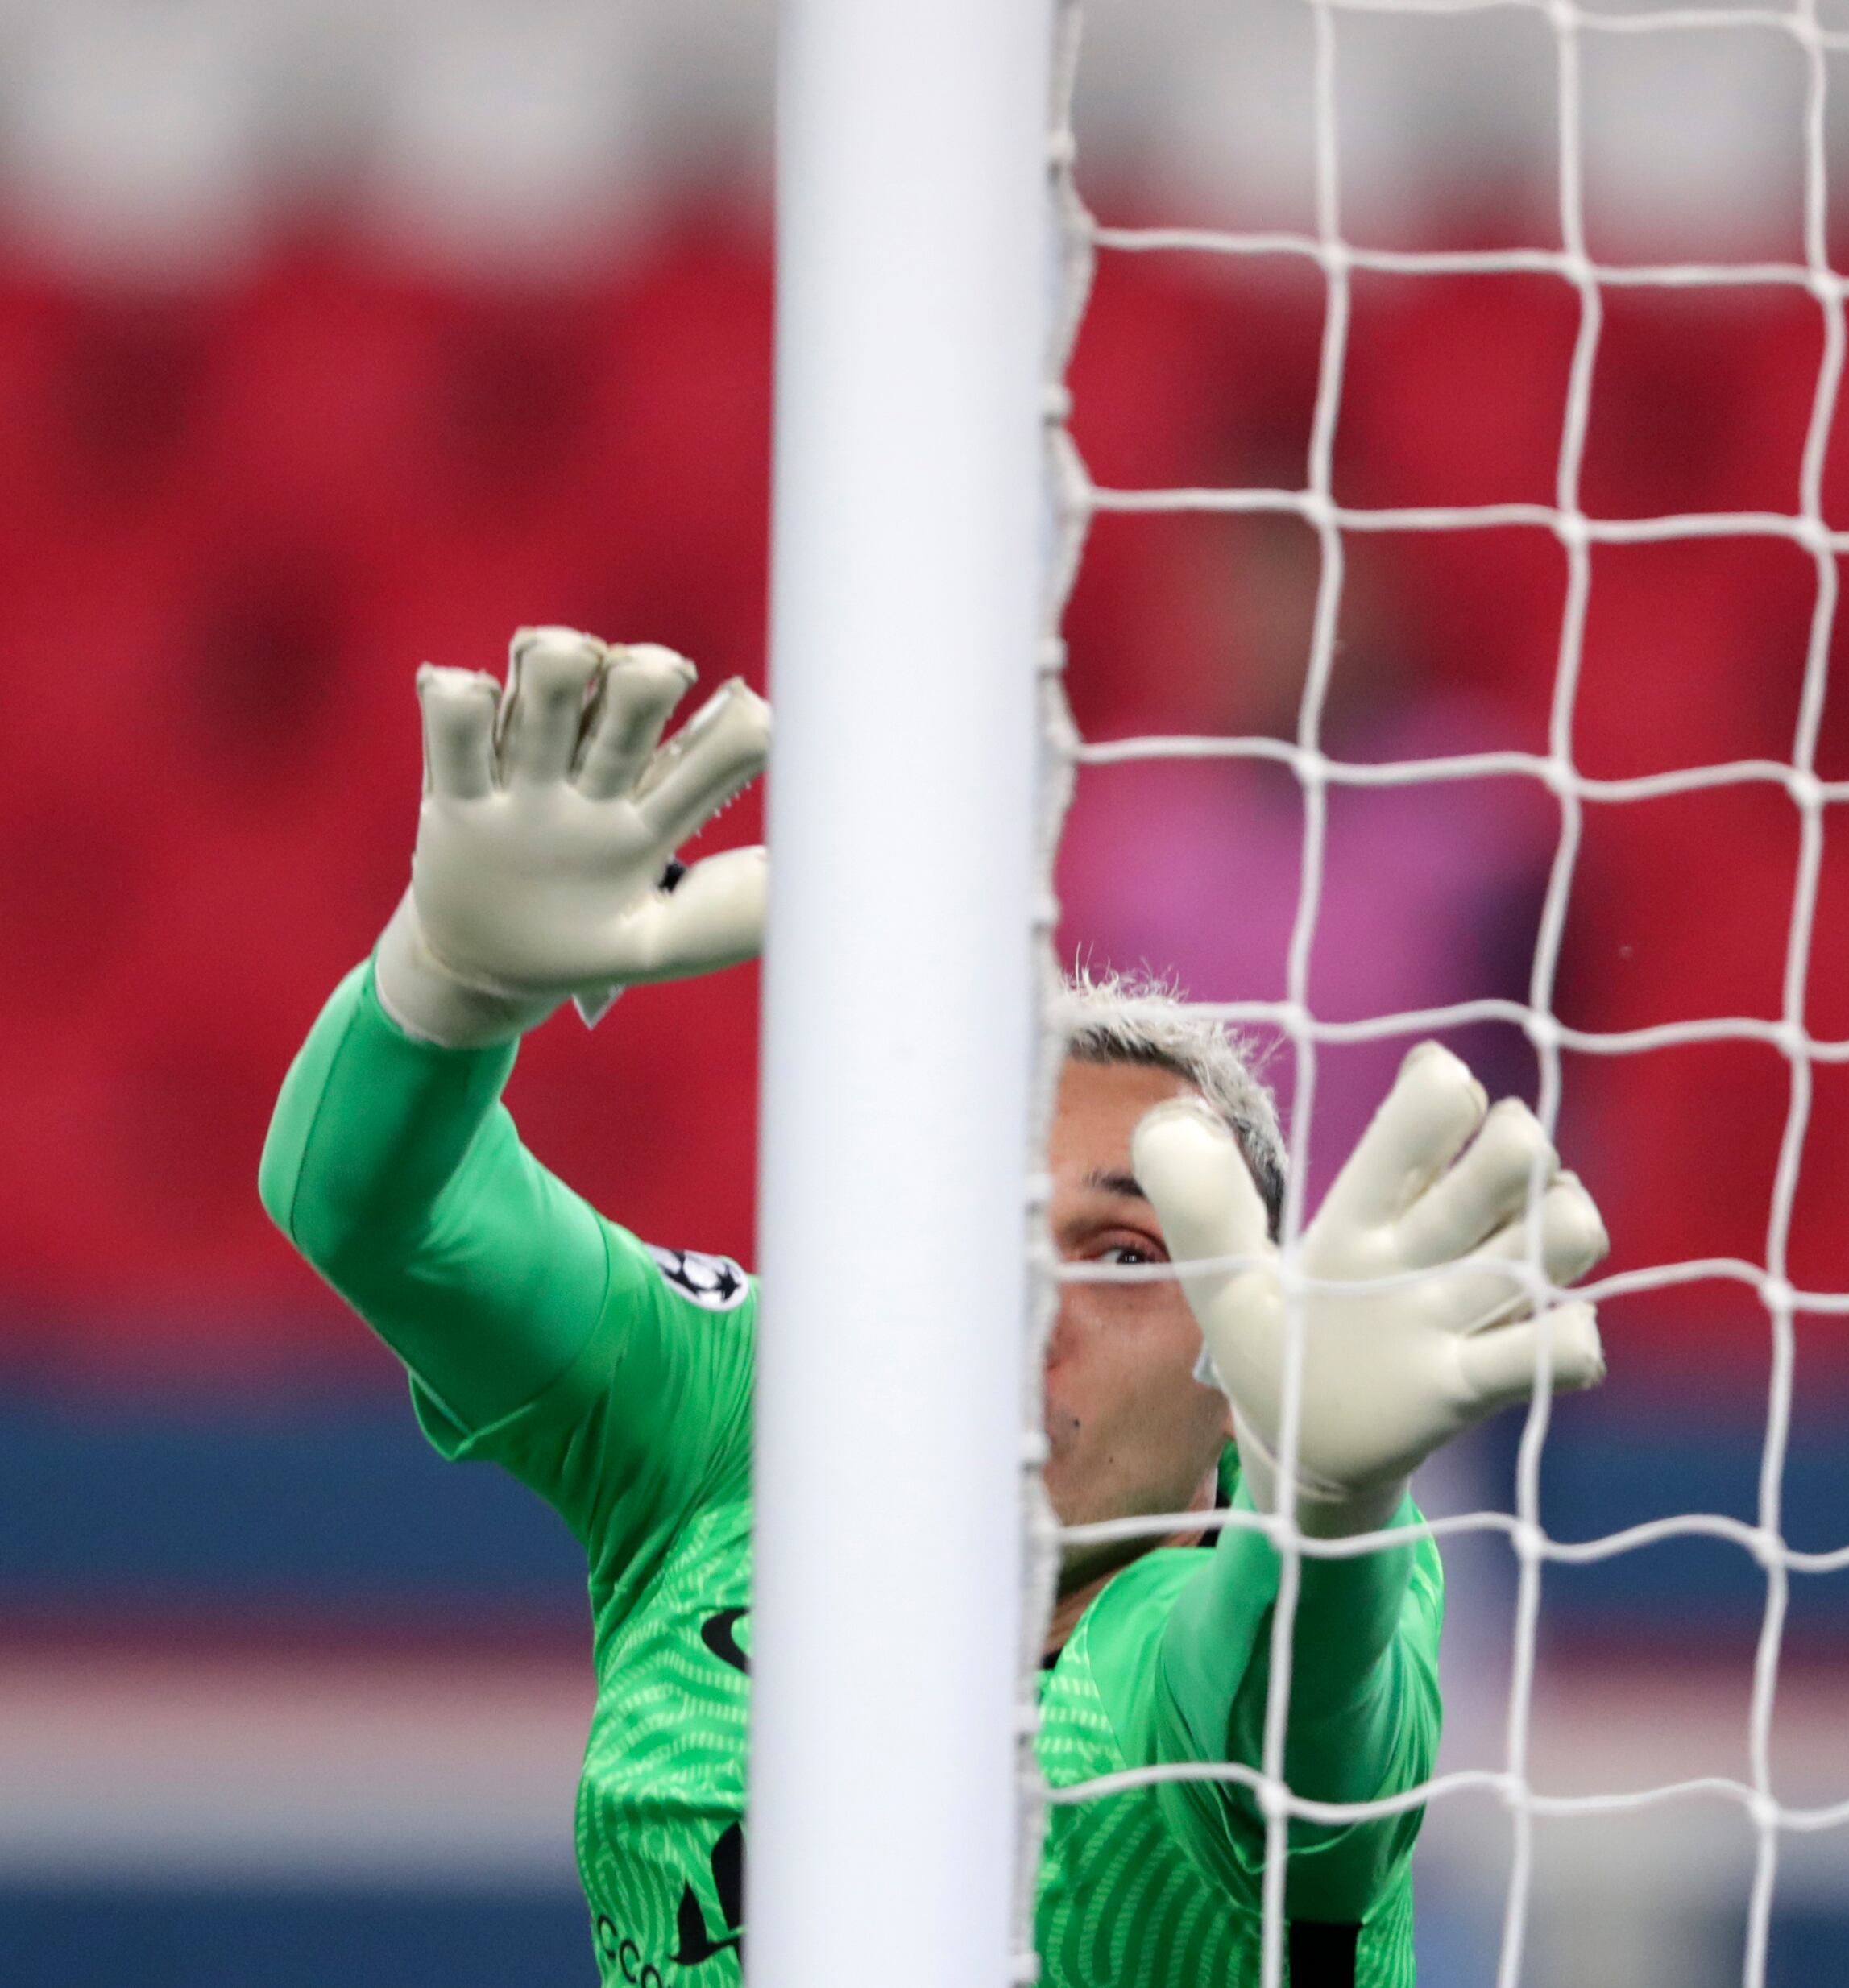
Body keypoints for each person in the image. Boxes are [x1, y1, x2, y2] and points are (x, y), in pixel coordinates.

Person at [258, 627, 1610, 1987]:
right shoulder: (749, 1424)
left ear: (1236, 1367)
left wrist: (1328, 1508)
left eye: (1129, 1255)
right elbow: (380, 1215)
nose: (1030, 1313)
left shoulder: (1269, 1571)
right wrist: (448, 983)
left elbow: (1302, 1710)